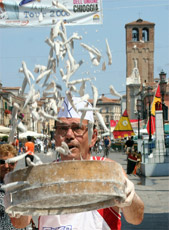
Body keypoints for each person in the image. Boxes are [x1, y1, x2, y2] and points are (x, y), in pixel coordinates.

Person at [38, 96, 144, 230]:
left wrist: (130, 197)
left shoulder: (107, 170)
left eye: (77, 128)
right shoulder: (43, 174)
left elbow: (136, 218)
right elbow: (20, 223)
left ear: (93, 137)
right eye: (62, 129)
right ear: (55, 136)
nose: (69, 135)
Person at [0, 144, 31, 229]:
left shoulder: (20, 184)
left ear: (16, 163)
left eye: (11, 163)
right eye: (2, 162)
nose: (6, 166)